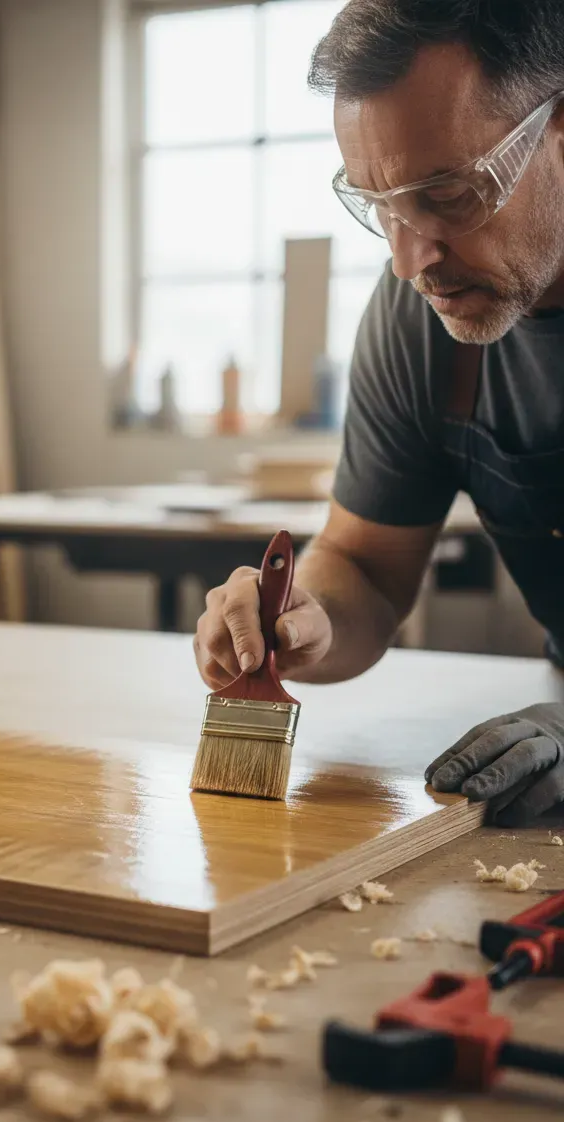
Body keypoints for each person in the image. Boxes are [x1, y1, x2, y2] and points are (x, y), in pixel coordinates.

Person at [193, 0, 564, 826]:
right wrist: (307, 616)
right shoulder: (426, 322)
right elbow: (365, 566)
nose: (409, 261)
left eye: (450, 195)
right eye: (380, 206)